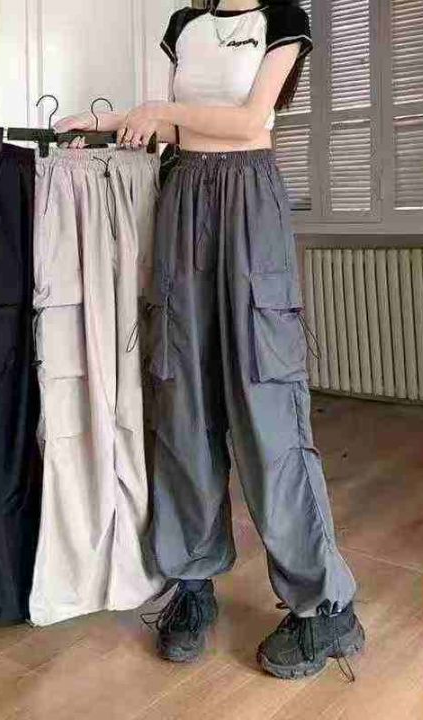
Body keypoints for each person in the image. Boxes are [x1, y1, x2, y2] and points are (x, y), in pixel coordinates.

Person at [54, 0, 365, 680]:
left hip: (249, 200)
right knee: (182, 403)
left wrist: (154, 109)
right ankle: (191, 581)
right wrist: (109, 124)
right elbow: (175, 127)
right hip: (184, 196)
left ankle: (326, 606)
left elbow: (251, 120)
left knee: (267, 410)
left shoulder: (284, 20)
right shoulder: (183, 26)